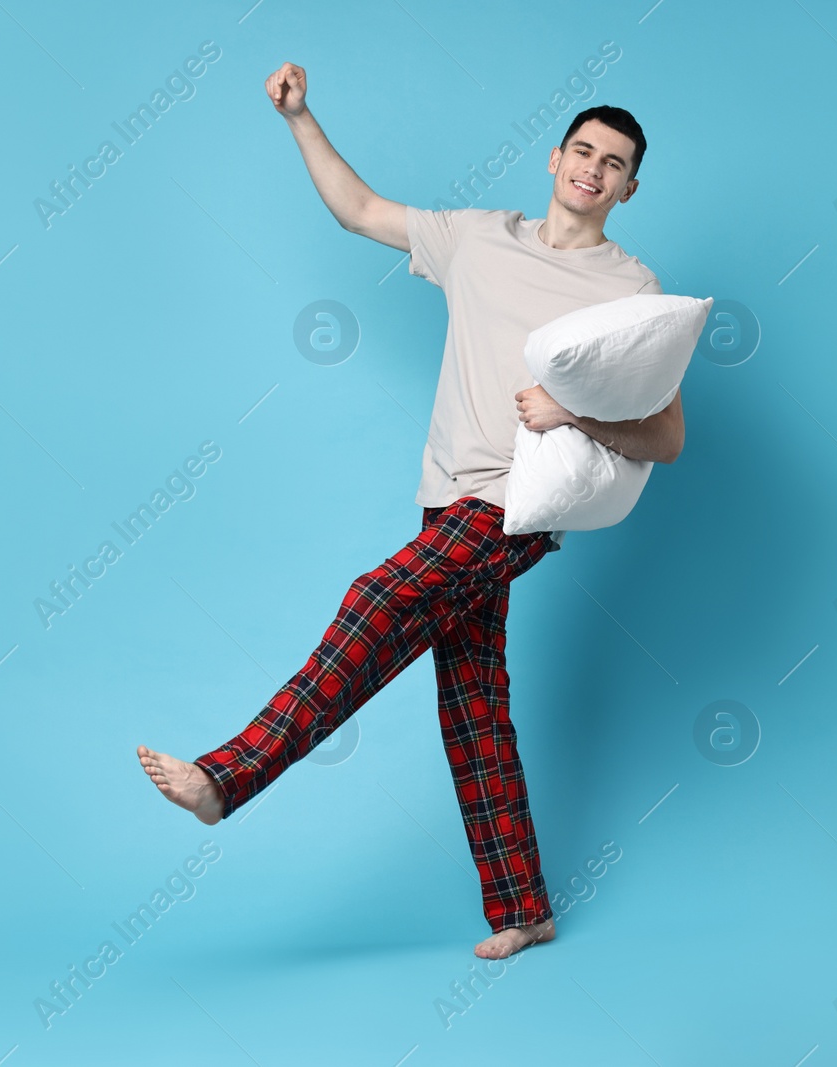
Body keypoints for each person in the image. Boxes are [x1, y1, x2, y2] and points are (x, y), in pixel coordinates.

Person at [138, 61, 684, 960]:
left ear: (629, 189)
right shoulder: (478, 238)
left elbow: (665, 434)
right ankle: (524, 906)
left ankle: (225, 778)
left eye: (614, 162)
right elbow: (359, 209)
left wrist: (572, 412)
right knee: (474, 704)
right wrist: (302, 117)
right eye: (582, 149)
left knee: (373, 599)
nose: (594, 167)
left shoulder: (631, 290)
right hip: (447, 499)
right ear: (553, 159)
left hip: (518, 502)